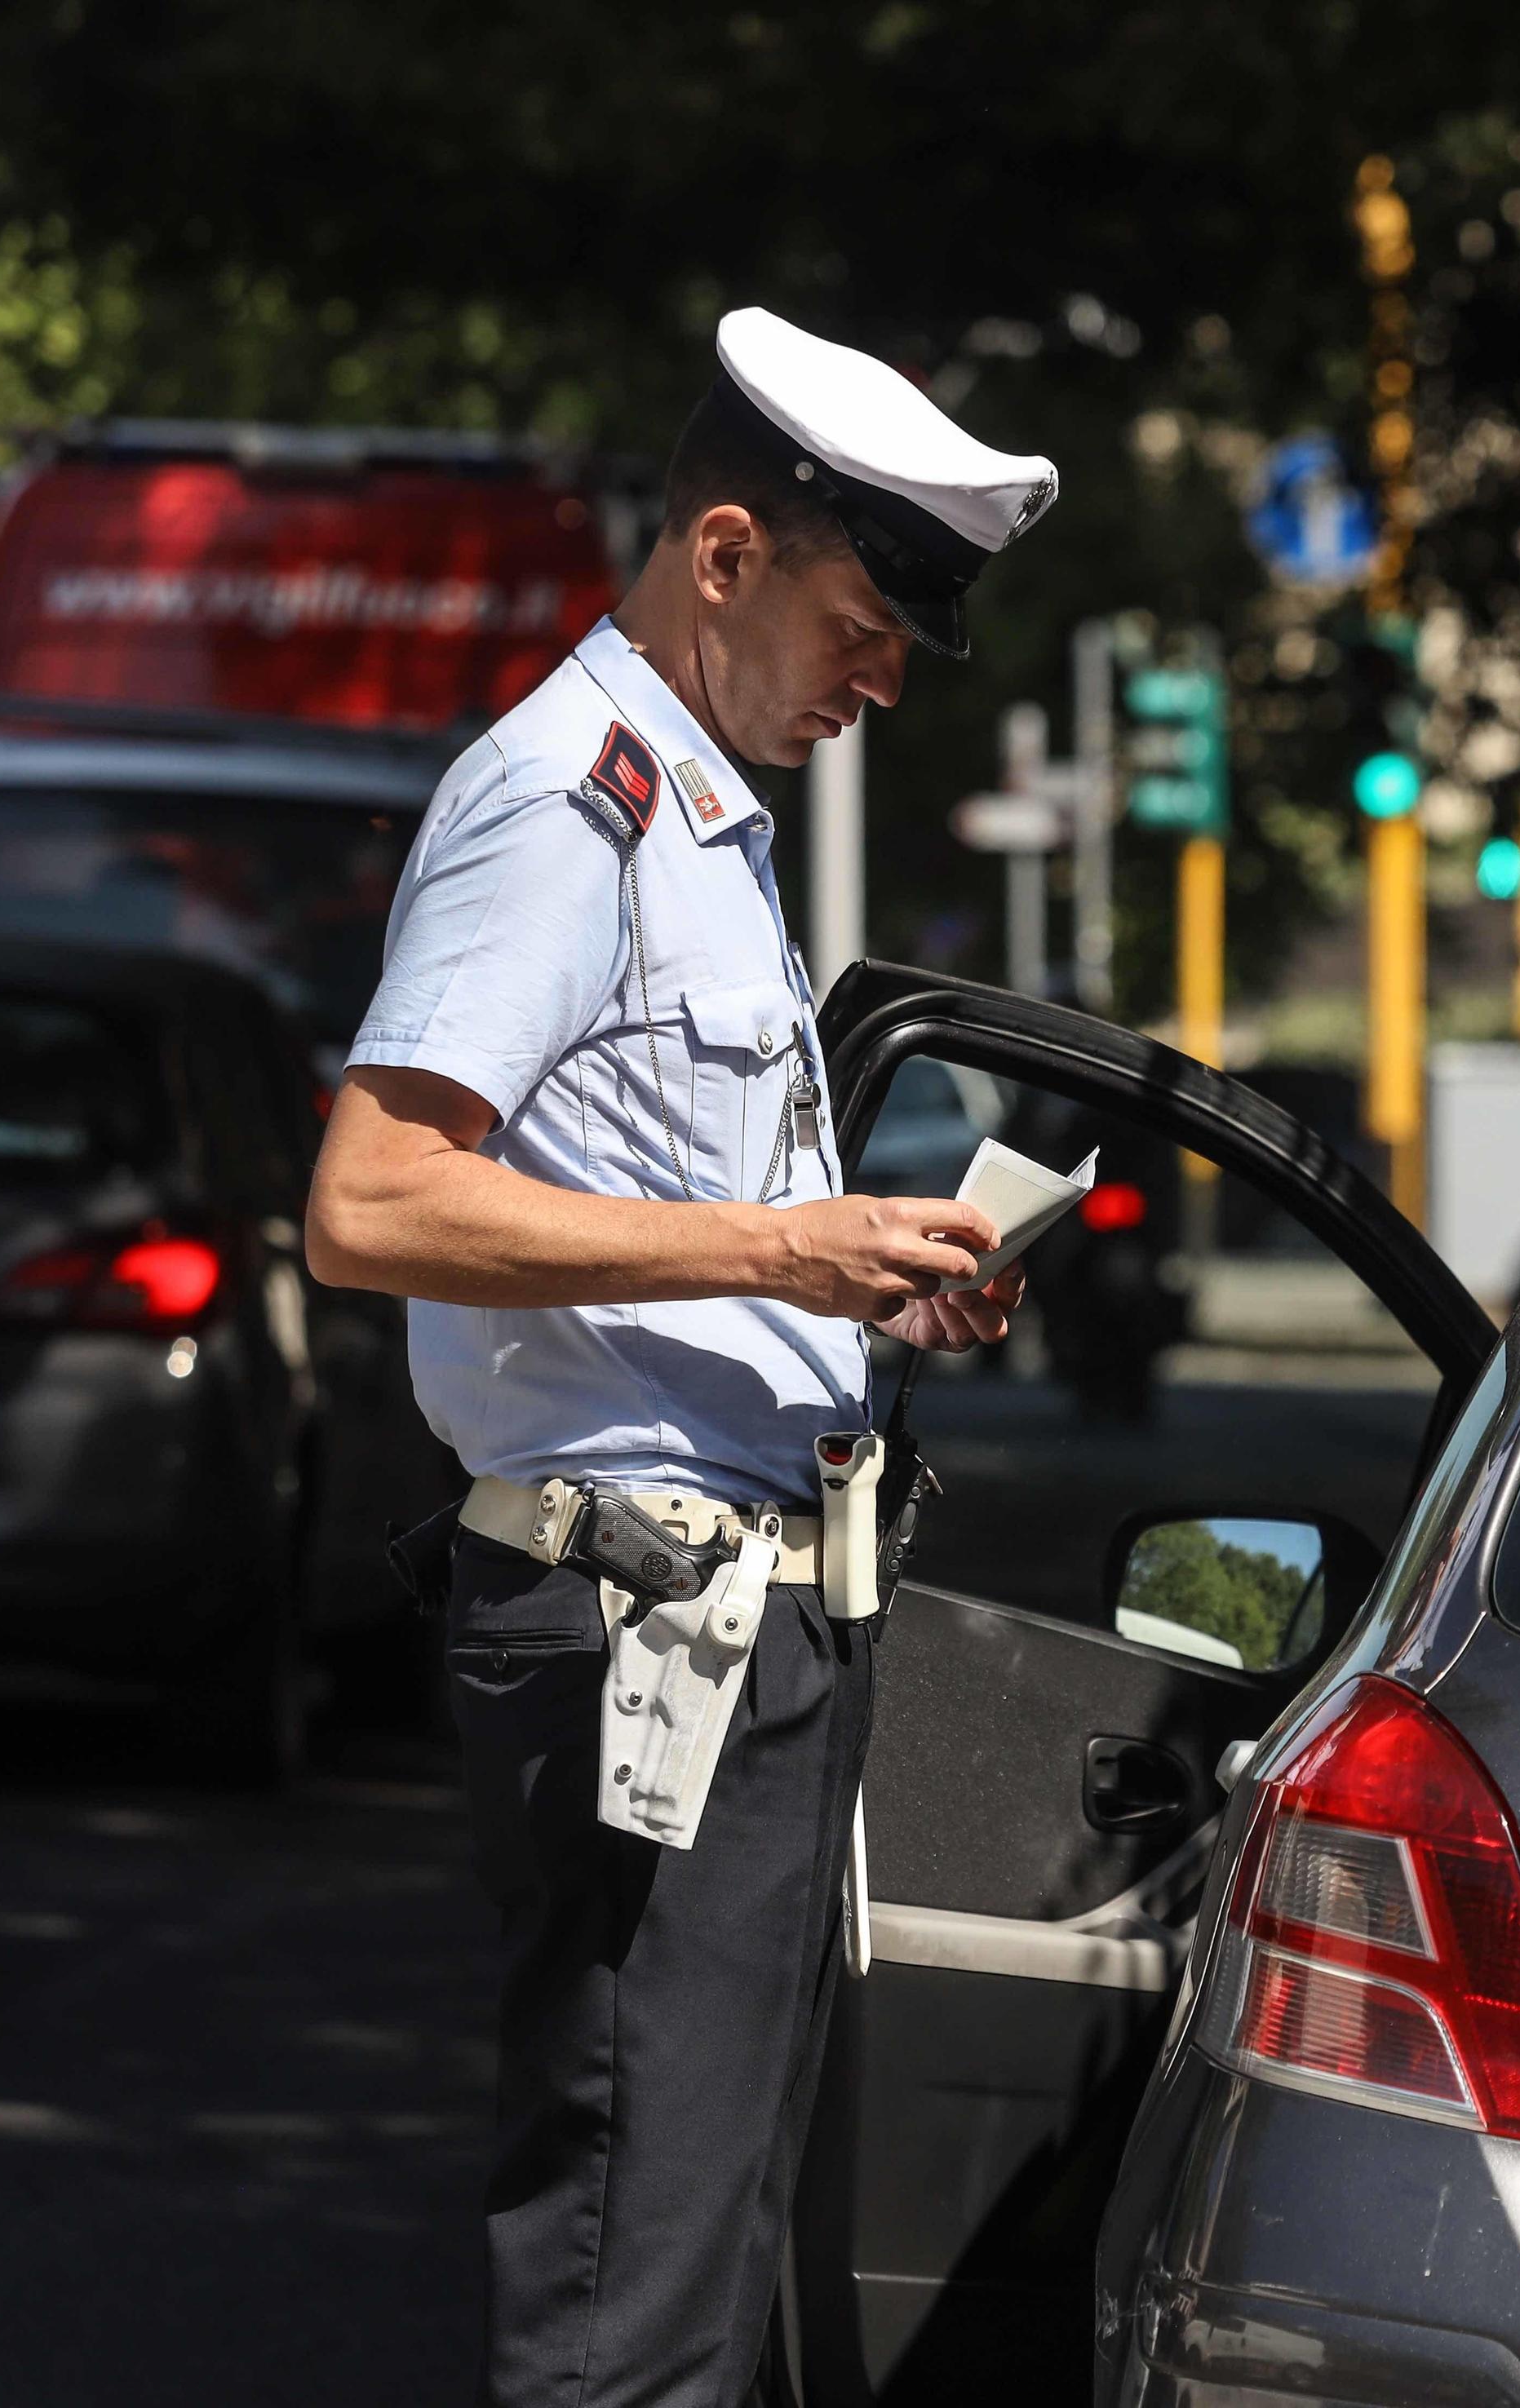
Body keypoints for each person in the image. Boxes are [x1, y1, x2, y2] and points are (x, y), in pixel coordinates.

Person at [306, 304, 1058, 2407]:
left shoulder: (698, 825)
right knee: (634, 2288)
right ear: (724, 553)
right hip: (636, 1607)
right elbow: (368, 1205)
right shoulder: (569, 802)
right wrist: (777, 1243)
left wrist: (864, 1282)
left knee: (701, 2268)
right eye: (863, 619)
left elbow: (666, 1232)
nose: (886, 677)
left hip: (733, 1619)